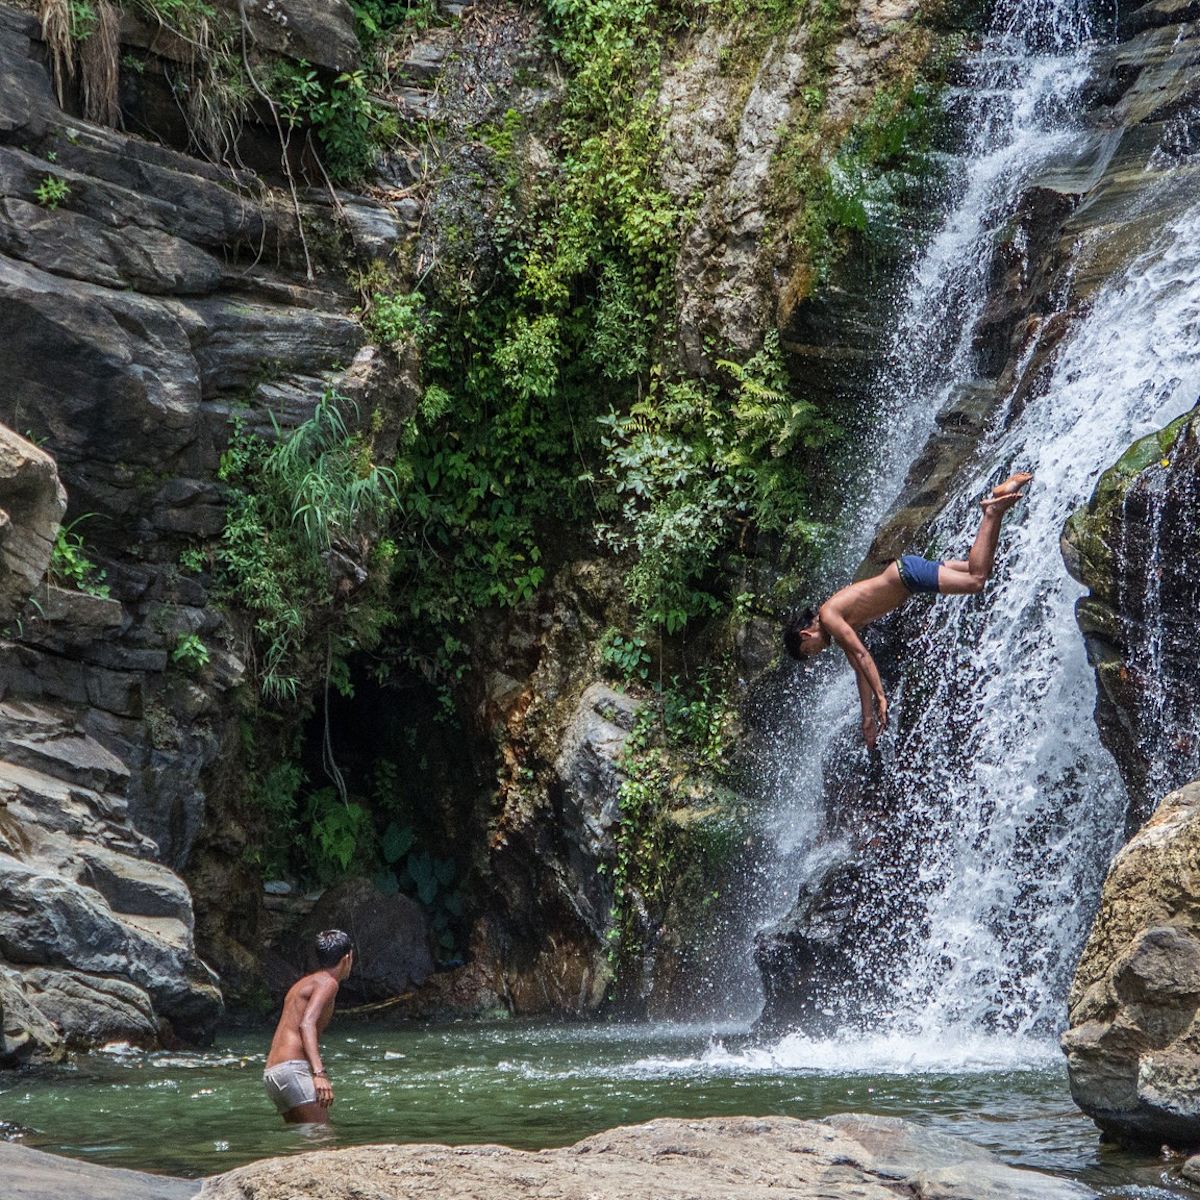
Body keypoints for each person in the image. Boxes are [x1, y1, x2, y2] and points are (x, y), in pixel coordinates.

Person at [783, 472, 1032, 749]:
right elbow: (858, 669)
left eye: (809, 650)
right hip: (909, 575)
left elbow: (864, 656)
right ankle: (999, 498)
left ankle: (992, 511)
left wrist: (881, 696)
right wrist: (868, 719)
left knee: (976, 579)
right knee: (982, 567)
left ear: (806, 634)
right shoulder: (834, 623)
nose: (817, 652)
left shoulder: (829, 616)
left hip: (908, 576)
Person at [263, 929, 354, 1124]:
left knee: (304, 1140)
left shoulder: (304, 983)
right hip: (292, 1069)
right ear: (347, 958)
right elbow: (307, 1023)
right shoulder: (328, 983)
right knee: (322, 1138)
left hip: (274, 1072)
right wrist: (319, 1073)